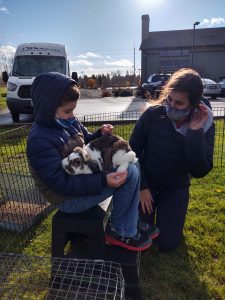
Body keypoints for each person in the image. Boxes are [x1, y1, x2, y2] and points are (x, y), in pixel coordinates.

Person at [27, 72, 159, 252]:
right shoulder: (39, 140)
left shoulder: (67, 122)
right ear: (48, 109)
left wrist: (99, 133)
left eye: (73, 110)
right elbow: (61, 184)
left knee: (132, 162)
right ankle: (120, 230)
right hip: (68, 199)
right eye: (67, 111)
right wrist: (103, 180)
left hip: (85, 176)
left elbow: (86, 139)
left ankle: (130, 221)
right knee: (128, 174)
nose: (72, 115)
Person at [129, 68, 215, 252]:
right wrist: (142, 186)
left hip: (175, 185)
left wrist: (194, 133)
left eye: (179, 103)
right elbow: (132, 151)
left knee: (167, 244)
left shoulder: (205, 123)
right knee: (140, 233)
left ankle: (171, 217)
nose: (171, 106)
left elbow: (200, 171)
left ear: (193, 104)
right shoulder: (152, 115)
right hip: (147, 182)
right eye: (169, 99)